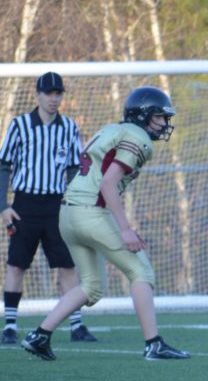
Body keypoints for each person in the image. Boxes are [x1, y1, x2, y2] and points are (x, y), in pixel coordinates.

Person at [22, 86, 190, 361]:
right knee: (141, 272)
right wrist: (124, 228)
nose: (163, 123)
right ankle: (154, 343)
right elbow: (109, 183)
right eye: (159, 116)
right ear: (142, 115)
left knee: (91, 287)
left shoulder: (111, 129)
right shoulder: (137, 136)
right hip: (92, 211)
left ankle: (39, 335)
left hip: (67, 213)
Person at [0, 72, 96, 345]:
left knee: (67, 265)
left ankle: (77, 325)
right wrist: (3, 206)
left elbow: (75, 167)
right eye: (48, 93)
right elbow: (3, 164)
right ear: (37, 95)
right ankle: (9, 326)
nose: (54, 98)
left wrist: (75, 203)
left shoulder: (69, 127)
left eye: (58, 93)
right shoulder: (19, 125)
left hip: (56, 205)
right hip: (25, 204)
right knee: (16, 265)